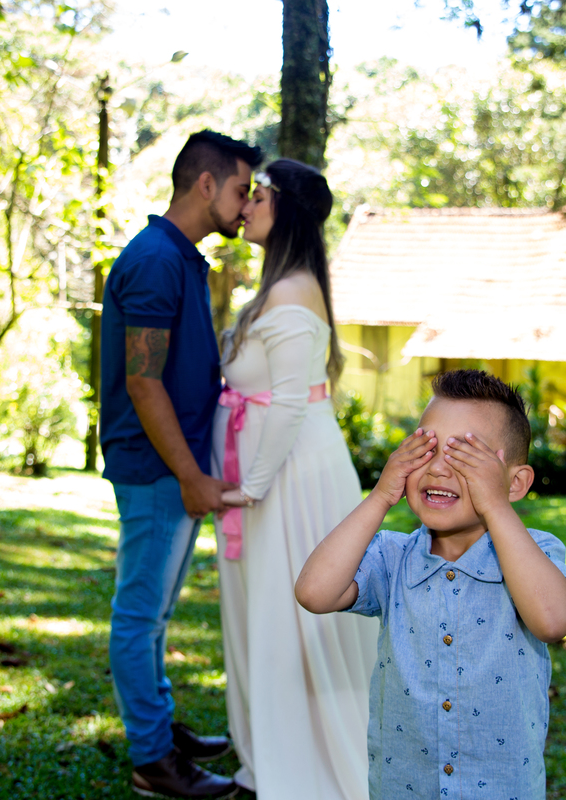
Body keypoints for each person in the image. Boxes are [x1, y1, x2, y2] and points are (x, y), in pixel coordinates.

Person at [295, 369, 566, 799]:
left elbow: (551, 620)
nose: (437, 470)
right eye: (425, 450)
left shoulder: (534, 553)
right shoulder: (392, 558)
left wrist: (494, 504)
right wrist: (379, 497)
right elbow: (314, 592)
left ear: (516, 482)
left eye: (466, 457)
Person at [99, 129, 263, 800]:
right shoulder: (156, 260)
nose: (246, 203)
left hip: (176, 466)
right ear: (205, 184)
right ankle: (152, 760)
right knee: (139, 614)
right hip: (157, 469)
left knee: (155, 613)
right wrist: (191, 476)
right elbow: (143, 382)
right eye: (240, 189)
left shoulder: (181, 257)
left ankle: (159, 730)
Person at [211, 159, 378, 798]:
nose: (246, 204)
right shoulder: (282, 287)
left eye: (259, 194)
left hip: (289, 480)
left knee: (295, 621)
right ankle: (271, 756)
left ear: (286, 209)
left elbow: (285, 404)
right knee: (271, 617)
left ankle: (306, 769)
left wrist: (250, 488)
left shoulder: (289, 293)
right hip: (277, 471)